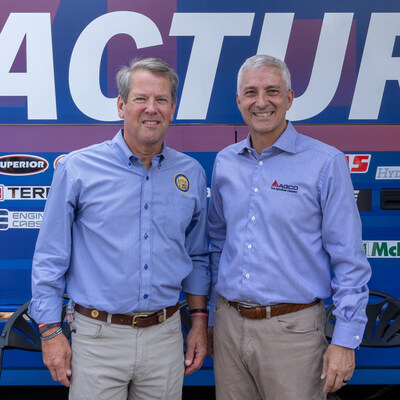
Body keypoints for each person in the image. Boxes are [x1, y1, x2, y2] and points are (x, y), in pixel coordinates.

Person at [28, 57, 210, 400]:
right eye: (141, 99)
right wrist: (50, 331)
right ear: (121, 105)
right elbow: (50, 256)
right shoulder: (78, 169)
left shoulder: (192, 174)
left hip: (165, 337)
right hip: (97, 339)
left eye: (161, 100)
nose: (151, 109)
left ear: (172, 108)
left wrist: (199, 322)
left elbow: (198, 255)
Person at [207, 54, 371, 400]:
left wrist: (345, 340)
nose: (261, 102)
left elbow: (349, 260)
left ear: (290, 98)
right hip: (229, 327)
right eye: (251, 92)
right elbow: (217, 243)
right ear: (239, 101)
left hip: (294, 332)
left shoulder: (325, 163)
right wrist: (211, 318)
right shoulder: (225, 162)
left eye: (272, 91)